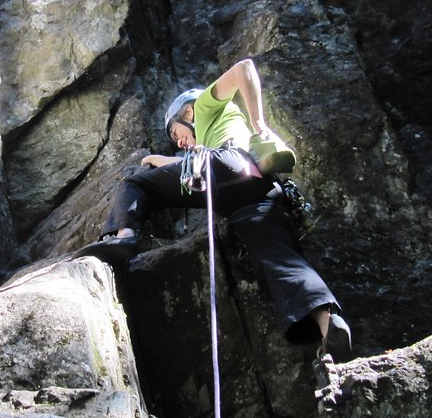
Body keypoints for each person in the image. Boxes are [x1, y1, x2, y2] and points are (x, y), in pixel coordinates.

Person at [73, 58, 352, 362]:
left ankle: (122, 237)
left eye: (175, 130)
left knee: (137, 185)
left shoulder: (204, 105)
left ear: (188, 111)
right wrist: (156, 159)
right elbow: (189, 164)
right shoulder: (209, 136)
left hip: (226, 164)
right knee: (280, 262)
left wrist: (261, 126)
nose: (177, 141)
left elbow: (245, 68)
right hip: (258, 189)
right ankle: (329, 325)